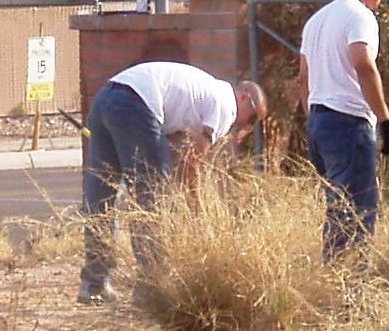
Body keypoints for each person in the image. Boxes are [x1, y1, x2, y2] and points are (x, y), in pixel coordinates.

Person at [78, 60, 268, 304]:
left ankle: (94, 284)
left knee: (100, 198)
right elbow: (191, 165)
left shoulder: (204, 91)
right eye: (252, 119)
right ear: (244, 98)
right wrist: (197, 208)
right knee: (154, 198)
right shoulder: (227, 105)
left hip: (107, 97)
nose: (245, 128)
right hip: (138, 103)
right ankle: (153, 285)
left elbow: (172, 144)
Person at [297, 0, 389, 257]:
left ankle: (332, 286)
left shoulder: (316, 20)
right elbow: (364, 65)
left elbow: (304, 78)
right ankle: (349, 294)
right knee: (356, 215)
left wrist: (313, 119)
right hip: (349, 123)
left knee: (338, 208)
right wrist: (386, 121)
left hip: (318, 121)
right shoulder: (360, 16)